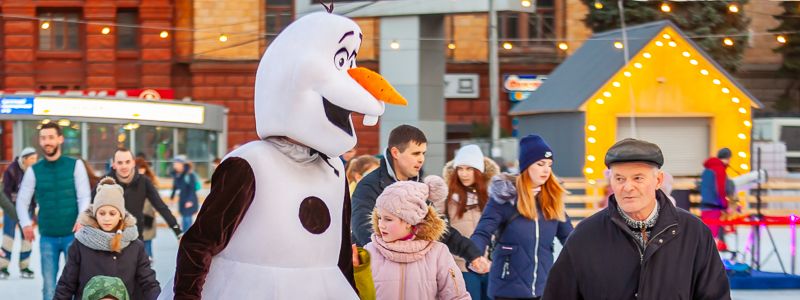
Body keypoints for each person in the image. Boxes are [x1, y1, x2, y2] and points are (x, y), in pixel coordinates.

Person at [543, 138, 730, 299]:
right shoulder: (585, 236)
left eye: (638, 178)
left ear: (658, 181)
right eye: (619, 179)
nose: (628, 187)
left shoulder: (694, 233)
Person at [351, 125, 490, 273]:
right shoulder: (369, 185)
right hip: (376, 269)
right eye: (416, 153)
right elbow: (362, 227)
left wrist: (472, 254)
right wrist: (393, 255)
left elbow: (437, 227)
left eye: (423, 153)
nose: (421, 159)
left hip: (412, 269)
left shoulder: (418, 186)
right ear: (396, 152)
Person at [471, 135, 573, 300]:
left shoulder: (551, 201)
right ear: (526, 167)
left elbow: (571, 239)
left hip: (543, 289)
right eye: (540, 164)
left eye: (549, 165)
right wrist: (475, 255)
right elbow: (482, 232)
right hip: (507, 290)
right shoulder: (504, 198)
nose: (546, 170)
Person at [354, 177, 470, 299]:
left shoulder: (437, 253)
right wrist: (357, 271)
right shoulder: (370, 251)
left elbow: (457, 297)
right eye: (379, 217)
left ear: (409, 221)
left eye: (388, 219)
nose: (381, 224)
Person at [16, 122, 92, 300]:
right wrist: (26, 224)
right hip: (47, 237)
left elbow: (84, 196)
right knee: (49, 288)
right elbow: (21, 201)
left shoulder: (75, 165)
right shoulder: (34, 170)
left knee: (76, 284)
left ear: (60, 139)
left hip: (72, 235)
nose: (47, 141)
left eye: (51, 137)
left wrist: (81, 219)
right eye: (43, 138)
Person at [54, 177, 160, 300]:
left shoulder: (135, 246)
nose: (107, 218)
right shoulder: (81, 243)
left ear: (120, 215)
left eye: (112, 213)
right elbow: (66, 284)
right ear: (95, 214)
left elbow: (148, 283)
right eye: (102, 213)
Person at [438, 144, 499, 300]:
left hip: (490, 266)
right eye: (460, 169)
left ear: (478, 172)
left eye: (469, 169)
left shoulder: (492, 197)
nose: (464, 174)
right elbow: (441, 230)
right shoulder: (446, 197)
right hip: (461, 268)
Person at [109, 148, 182, 242]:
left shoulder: (143, 181)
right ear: (114, 165)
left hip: (136, 237)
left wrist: (177, 231)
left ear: (133, 163)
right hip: (112, 238)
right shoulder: (106, 182)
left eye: (127, 162)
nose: (124, 166)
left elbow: (161, 206)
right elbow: (91, 208)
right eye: (120, 163)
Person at [1, 147, 38, 279]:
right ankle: (3, 267)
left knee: (27, 238)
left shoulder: (34, 171)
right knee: (8, 237)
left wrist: (33, 213)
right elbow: (5, 193)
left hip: (27, 209)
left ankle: (24, 266)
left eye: (36, 158)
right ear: (24, 159)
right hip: (11, 208)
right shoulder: (11, 170)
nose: (35, 161)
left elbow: (34, 195)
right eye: (32, 159)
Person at [700, 147, 735, 249]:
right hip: (714, 207)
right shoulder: (719, 169)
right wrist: (725, 205)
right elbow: (720, 189)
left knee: (706, 235)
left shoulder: (707, 169)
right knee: (713, 238)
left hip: (705, 206)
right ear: (728, 158)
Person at [135, 157, 160, 259]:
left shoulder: (150, 182)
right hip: (135, 217)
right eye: (138, 168)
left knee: (147, 243)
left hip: (147, 217)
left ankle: (148, 263)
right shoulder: (132, 182)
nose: (141, 170)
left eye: (142, 168)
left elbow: (153, 201)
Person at [169, 155, 199, 232]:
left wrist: (190, 201)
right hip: (182, 199)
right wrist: (171, 198)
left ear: (182, 164)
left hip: (190, 199)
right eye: (174, 163)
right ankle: (186, 237)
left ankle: (187, 238)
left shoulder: (189, 174)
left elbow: (192, 189)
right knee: (184, 219)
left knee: (187, 219)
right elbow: (175, 187)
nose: (174, 165)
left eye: (176, 163)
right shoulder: (177, 174)